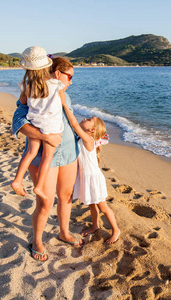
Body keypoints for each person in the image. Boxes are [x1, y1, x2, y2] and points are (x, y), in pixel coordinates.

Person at [12, 56, 81, 261]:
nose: (71, 81)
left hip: (69, 152)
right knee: (45, 202)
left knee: (66, 195)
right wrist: (45, 137)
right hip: (43, 154)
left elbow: (70, 121)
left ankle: (64, 232)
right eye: (69, 76)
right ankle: (38, 241)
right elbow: (19, 121)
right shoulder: (33, 91)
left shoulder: (64, 95)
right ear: (57, 73)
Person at [61, 99, 121, 244]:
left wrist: (64, 104)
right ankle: (95, 225)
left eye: (89, 119)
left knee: (102, 206)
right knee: (92, 204)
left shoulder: (88, 140)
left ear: (92, 130)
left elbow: (74, 124)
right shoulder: (86, 139)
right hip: (86, 177)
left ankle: (116, 230)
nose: (85, 118)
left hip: (93, 178)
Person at [11, 46, 64, 202]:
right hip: (52, 125)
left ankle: (17, 179)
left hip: (35, 121)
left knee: (30, 152)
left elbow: (22, 102)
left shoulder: (26, 85)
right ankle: (39, 185)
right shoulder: (55, 83)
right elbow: (61, 101)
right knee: (47, 157)